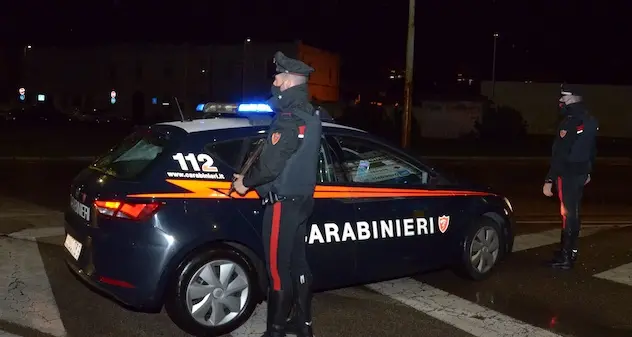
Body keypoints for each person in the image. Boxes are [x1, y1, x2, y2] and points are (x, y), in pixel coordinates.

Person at [231, 51, 321, 337]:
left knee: (278, 272)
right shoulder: (312, 116)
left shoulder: (288, 119)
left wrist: (246, 183)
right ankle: (303, 326)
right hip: (303, 200)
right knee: (298, 264)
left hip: (282, 204)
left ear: (290, 80)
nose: (275, 80)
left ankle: (276, 331)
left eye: (278, 75)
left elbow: (270, 166)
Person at [542, 84, 598, 270]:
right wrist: (588, 171)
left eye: (564, 96)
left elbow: (560, 153)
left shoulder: (570, 121)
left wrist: (549, 179)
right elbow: (591, 149)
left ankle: (566, 257)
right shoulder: (589, 119)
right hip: (581, 173)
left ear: (574, 98)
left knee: (567, 214)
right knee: (574, 213)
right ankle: (570, 251)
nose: (560, 100)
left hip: (568, 173)